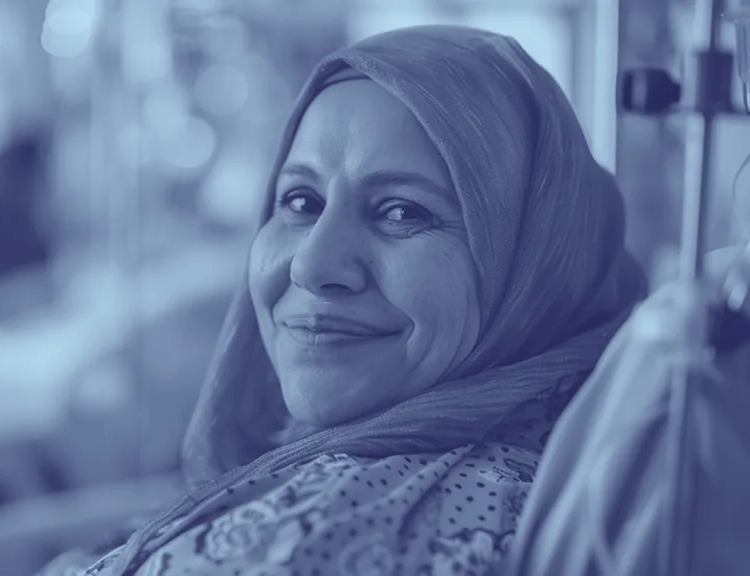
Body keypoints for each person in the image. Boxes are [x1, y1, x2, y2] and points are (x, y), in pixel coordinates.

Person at [39, 25, 647, 575]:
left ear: (535, 263)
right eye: (301, 202)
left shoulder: (383, 521)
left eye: (402, 212)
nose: (312, 265)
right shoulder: (353, 456)